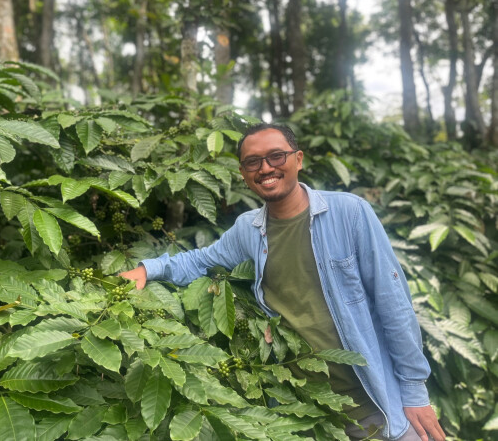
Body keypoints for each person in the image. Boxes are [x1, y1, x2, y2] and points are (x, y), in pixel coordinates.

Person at [120, 123, 445, 441]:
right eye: (252, 162)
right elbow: (201, 260)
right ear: (243, 173)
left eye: (276, 156)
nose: (265, 168)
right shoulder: (248, 230)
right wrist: (148, 269)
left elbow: (393, 303)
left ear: (298, 159)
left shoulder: (350, 213)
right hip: (303, 413)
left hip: (378, 404)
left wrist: (414, 392)